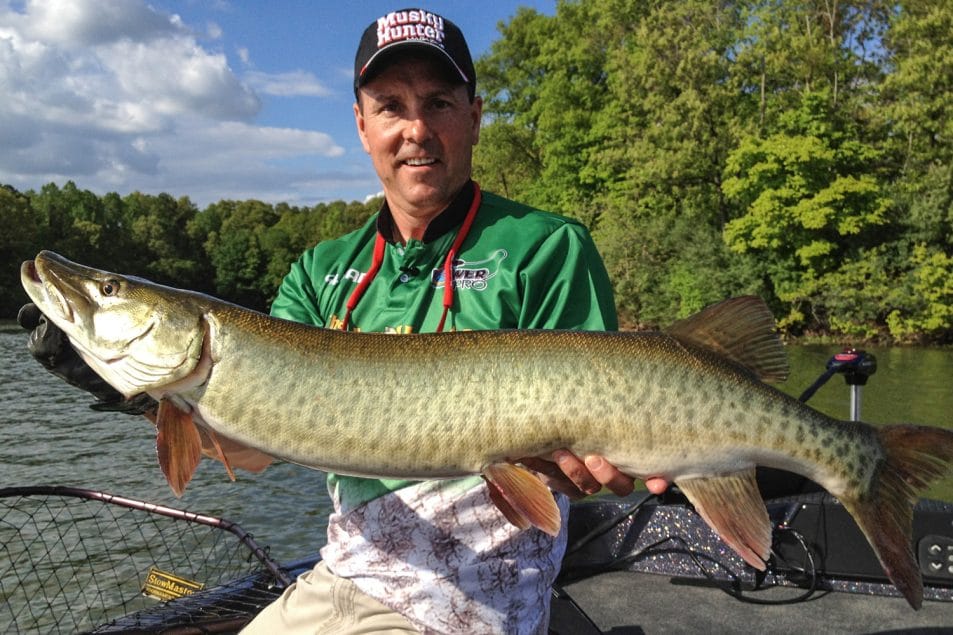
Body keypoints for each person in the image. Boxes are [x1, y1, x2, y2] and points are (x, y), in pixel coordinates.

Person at [20, 9, 667, 633]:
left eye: (437, 102)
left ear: (473, 116)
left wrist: (591, 462)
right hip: (348, 573)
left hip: (476, 592)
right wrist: (126, 388)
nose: (415, 127)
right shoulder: (320, 269)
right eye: (390, 105)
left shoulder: (545, 245)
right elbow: (252, 449)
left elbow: (581, 436)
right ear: (361, 125)